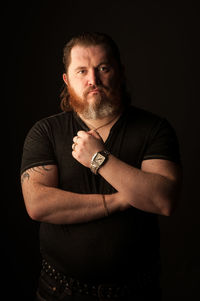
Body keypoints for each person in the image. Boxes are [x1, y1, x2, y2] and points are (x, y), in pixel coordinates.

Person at [20, 32, 182, 301]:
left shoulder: (154, 129)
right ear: (67, 79)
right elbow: (38, 204)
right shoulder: (45, 132)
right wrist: (120, 200)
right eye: (82, 71)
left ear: (120, 71)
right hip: (59, 292)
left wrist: (100, 159)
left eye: (103, 68)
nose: (93, 80)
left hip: (137, 293)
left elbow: (163, 199)